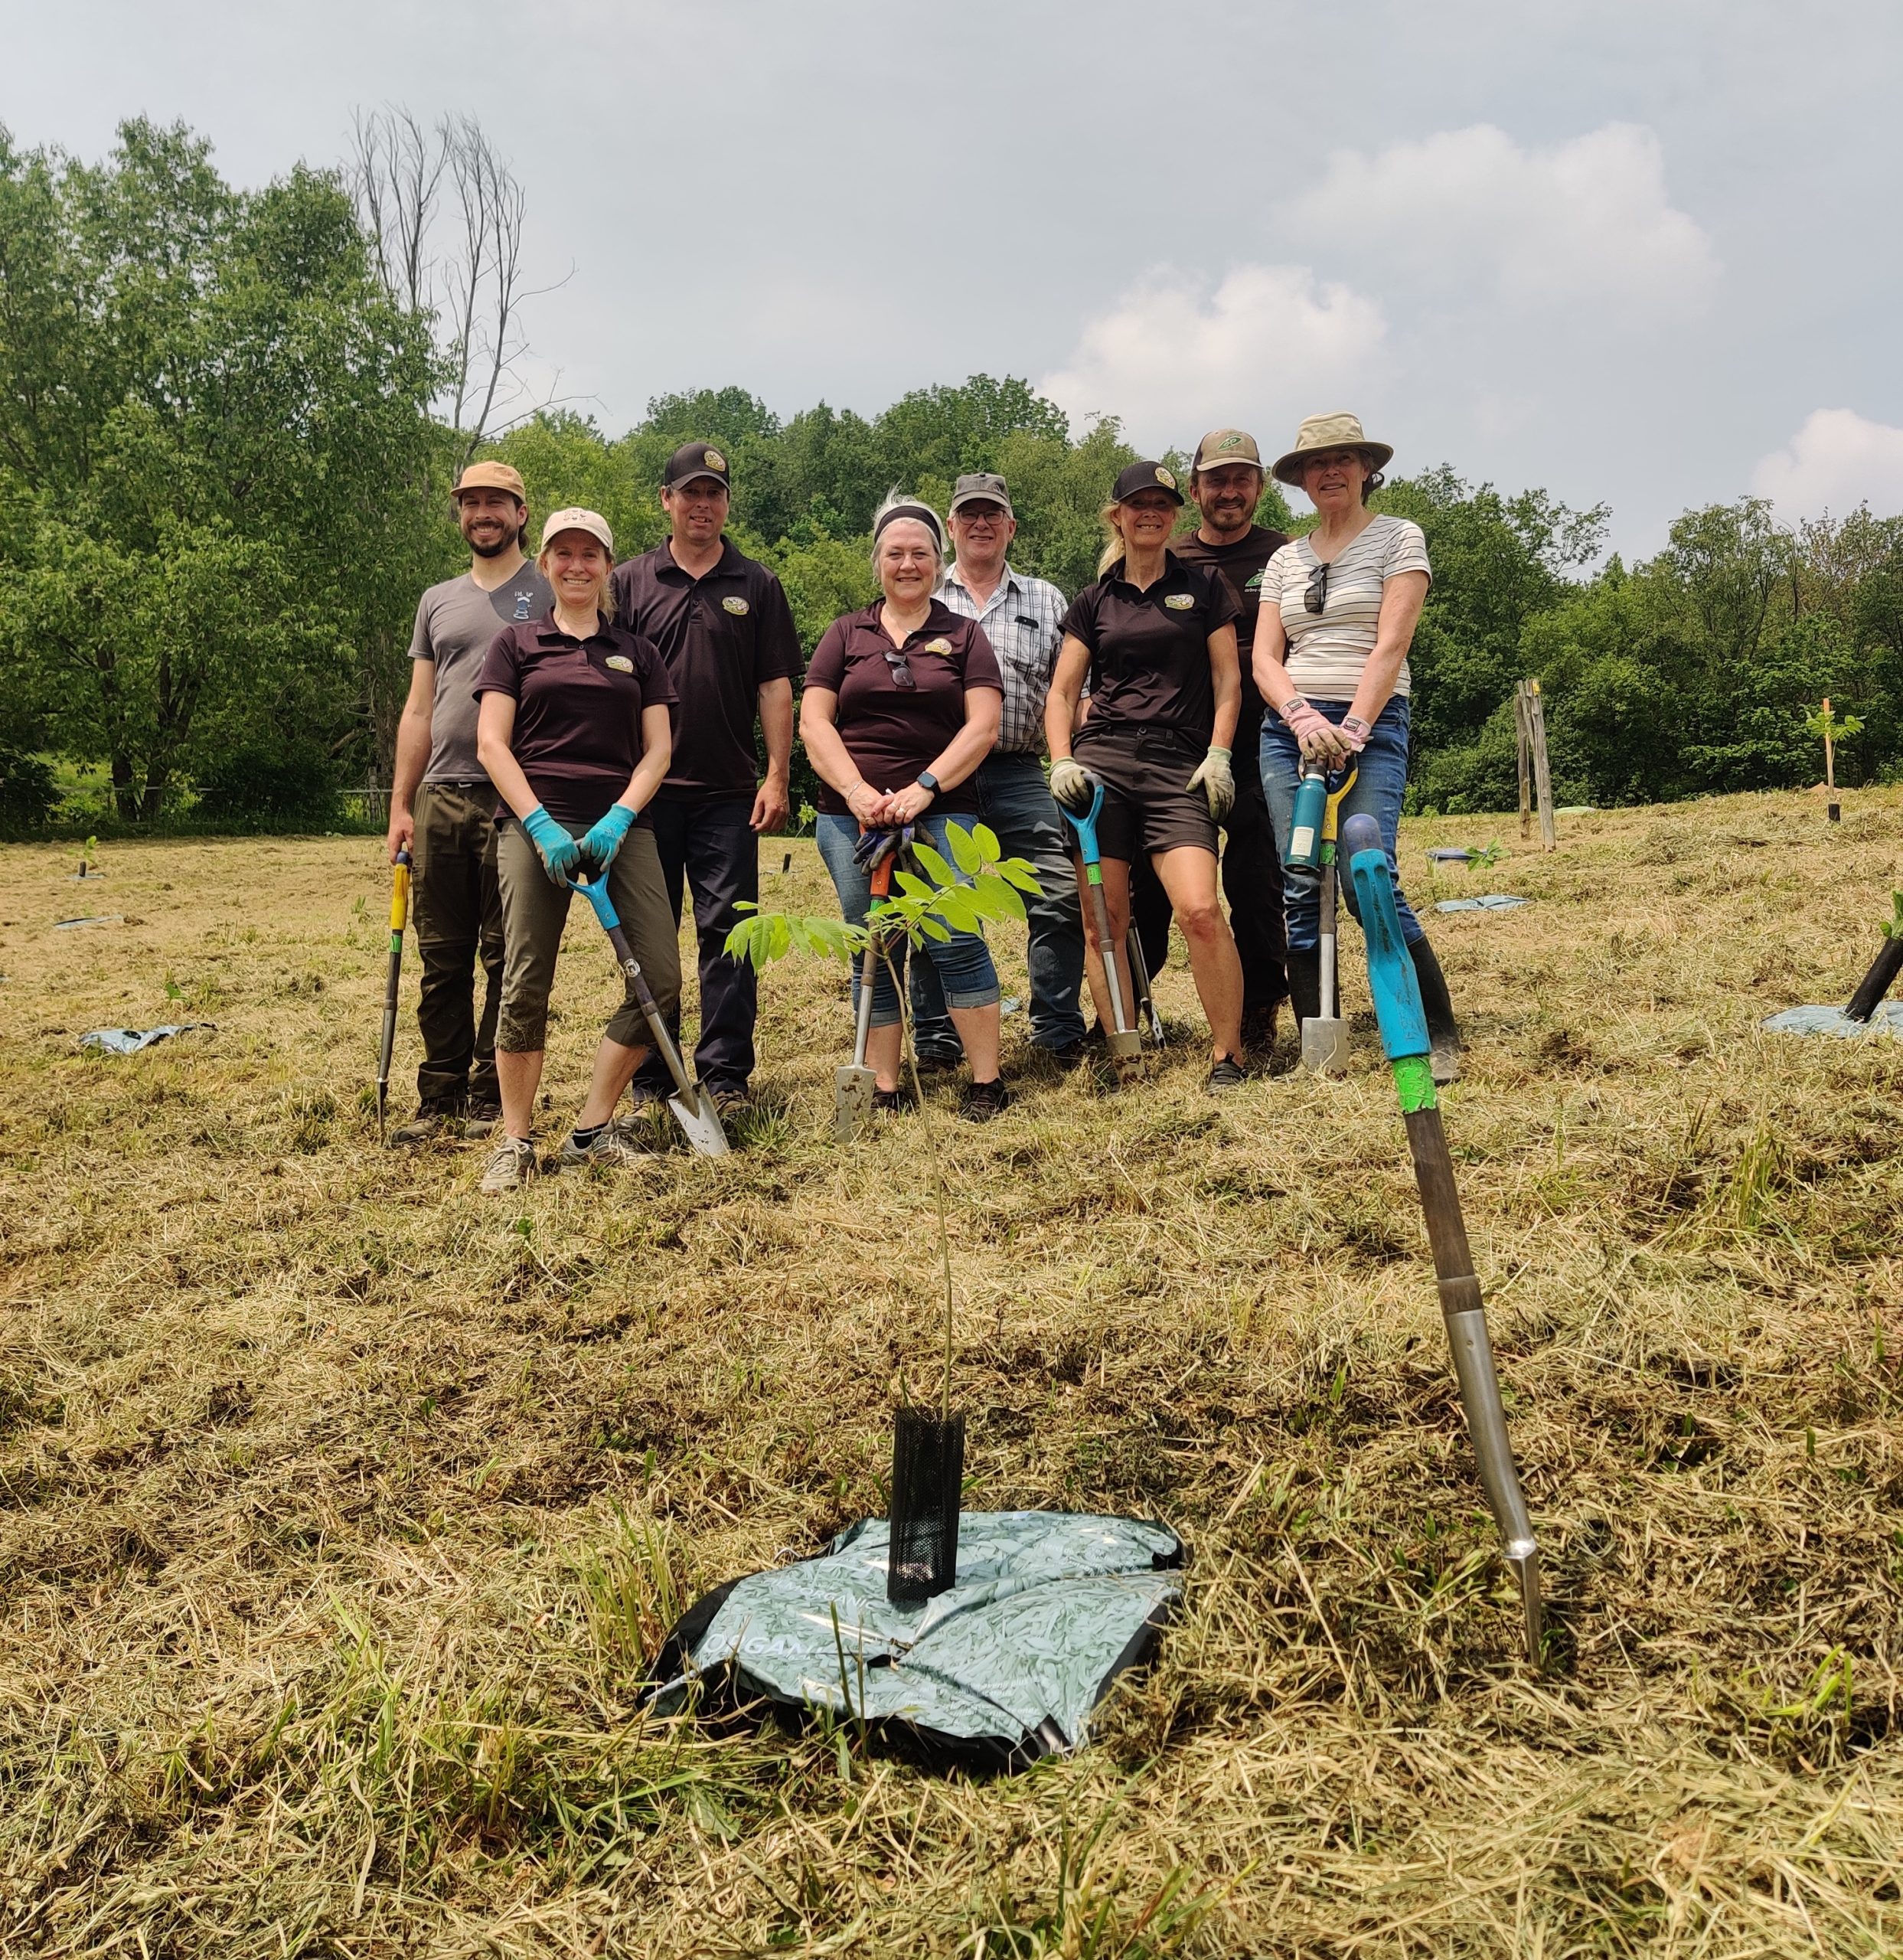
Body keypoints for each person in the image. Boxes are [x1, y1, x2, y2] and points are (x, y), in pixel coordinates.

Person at [472, 508, 681, 1192]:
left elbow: (658, 751)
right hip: (535, 823)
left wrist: (620, 817)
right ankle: (514, 1140)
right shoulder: (516, 644)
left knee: (658, 975)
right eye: (563, 553)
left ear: (608, 566)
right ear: (547, 563)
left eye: (590, 554)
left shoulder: (637, 652)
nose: (577, 566)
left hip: (623, 826)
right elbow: (491, 744)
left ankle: (592, 1128)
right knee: (525, 981)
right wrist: (538, 826)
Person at [1253, 412, 1461, 1080]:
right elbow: (1263, 656)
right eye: (1317, 463)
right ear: (1302, 479)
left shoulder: (1400, 539)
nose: (1330, 471)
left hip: (1371, 725)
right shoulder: (1284, 558)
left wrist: (1354, 730)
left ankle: (1434, 1032)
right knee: (1299, 875)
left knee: (1365, 872)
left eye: (1343, 459)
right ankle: (1325, 1047)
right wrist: (1300, 716)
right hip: (1292, 732)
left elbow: (1392, 644)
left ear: (1367, 469)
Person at [800, 493, 1011, 1122]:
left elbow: (984, 728)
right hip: (850, 817)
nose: (908, 563)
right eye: (895, 553)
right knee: (877, 942)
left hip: (944, 810)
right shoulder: (845, 633)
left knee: (955, 937)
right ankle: (885, 1085)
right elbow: (815, 723)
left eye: (921, 552)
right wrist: (859, 794)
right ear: (877, 564)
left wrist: (924, 787)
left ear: (937, 563)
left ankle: (987, 1082)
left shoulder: (965, 634)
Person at [612, 441, 803, 1116]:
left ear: (726, 503)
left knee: (730, 937)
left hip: (728, 796)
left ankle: (725, 1080)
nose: (702, 504)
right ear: (666, 500)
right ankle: (652, 1079)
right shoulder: (628, 583)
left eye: (714, 493)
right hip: (644, 796)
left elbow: (776, 688)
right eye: (690, 492)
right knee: (646, 942)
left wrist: (777, 777)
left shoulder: (757, 584)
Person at [1045, 462, 1249, 1092]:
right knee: (1102, 918)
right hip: (1101, 764)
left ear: (1174, 514)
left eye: (1162, 503)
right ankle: (1125, 1054)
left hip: (1176, 768)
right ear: (1118, 516)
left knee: (1199, 909)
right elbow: (1062, 692)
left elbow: (1227, 681)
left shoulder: (1204, 587)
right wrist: (1061, 759)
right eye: (1139, 504)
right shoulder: (1095, 599)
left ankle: (1228, 1057)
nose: (1151, 513)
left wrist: (1219, 754)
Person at [384, 461, 551, 1142]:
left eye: (496, 503)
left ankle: (490, 1092)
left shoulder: (549, 588)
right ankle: (439, 1092)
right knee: (440, 955)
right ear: (460, 514)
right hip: (441, 797)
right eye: (471, 503)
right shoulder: (437, 599)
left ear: (520, 513)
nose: (483, 513)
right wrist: (401, 805)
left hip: (518, 796)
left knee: (506, 954)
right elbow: (419, 707)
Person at [906, 472, 1085, 1070]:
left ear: (1010, 527)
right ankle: (937, 1038)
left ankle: (1057, 1028)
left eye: (993, 515)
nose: (981, 524)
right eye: (969, 515)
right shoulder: (921, 591)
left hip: (1018, 769)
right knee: (939, 903)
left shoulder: (1047, 598)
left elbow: (1071, 690)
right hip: (939, 775)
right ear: (951, 526)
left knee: (1058, 895)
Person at [1152, 429, 1291, 1050]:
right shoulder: (1168, 556)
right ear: (1195, 489)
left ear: (1259, 487)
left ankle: (1261, 1007)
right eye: (1216, 480)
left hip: (1266, 739)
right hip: (1179, 741)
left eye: (1242, 479)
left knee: (1258, 879)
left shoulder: (1287, 555)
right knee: (1158, 887)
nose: (1229, 492)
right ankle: (1131, 1009)